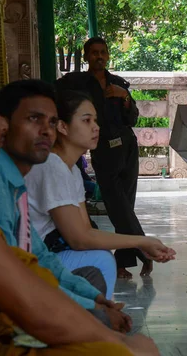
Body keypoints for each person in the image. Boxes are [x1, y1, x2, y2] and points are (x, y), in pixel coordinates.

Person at [0, 13, 158, 355]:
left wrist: (94, 304)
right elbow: (23, 295)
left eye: (51, 121)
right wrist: (112, 337)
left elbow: (31, 260)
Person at [0, 79, 137, 331]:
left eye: (52, 122)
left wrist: (96, 302)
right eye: (34, 119)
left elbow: (39, 256)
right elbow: (14, 277)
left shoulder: (14, 175)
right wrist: (94, 311)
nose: (47, 130)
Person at [26, 90, 176, 297]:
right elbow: (79, 239)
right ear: (62, 126)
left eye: (95, 120)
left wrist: (141, 244)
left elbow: (86, 230)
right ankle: (98, 319)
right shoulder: (52, 166)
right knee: (100, 260)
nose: (96, 127)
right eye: (86, 120)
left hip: (51, 250)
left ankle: (99, 316)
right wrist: (140, 241)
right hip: (31, 257)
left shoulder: (71, 170)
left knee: (101, 255)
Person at [55, 37, 150, 278]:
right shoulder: (75, 83)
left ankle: (123, 261)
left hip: (127, 146)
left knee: (126, 204)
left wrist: (125, 97)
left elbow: (133, 119)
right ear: (87, 56)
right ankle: (144, 248)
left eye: (103, 52)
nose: (99, 56)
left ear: (108, 56)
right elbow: (56, 97)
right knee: (116, 204)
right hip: (104, 149)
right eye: (94, 52)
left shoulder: (117, 83)